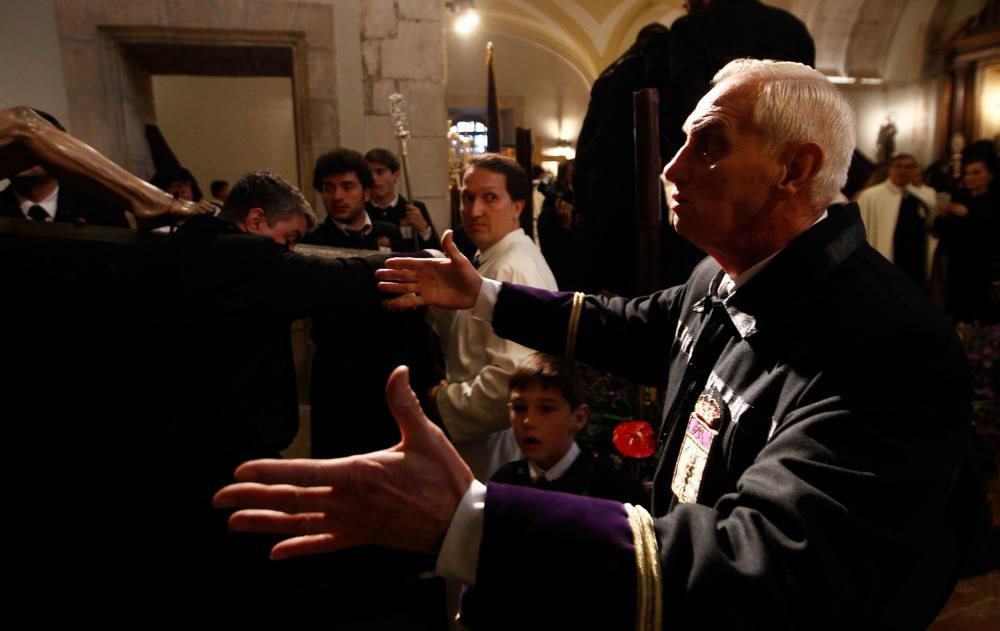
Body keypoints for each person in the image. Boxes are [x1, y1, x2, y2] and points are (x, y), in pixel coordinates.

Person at [214, 60, 976, 629]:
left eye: (707, 144)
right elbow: (632, 324)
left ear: (795, 168)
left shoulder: (887, 345)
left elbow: (766, 562)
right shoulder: (729, 272)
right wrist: (481, 294)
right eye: (679, 142)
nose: (671, 168)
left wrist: (475, 521)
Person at [425, 153, 558, 480]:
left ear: (517, 206)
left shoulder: (511, 266)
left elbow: (514, 378)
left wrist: (444, 402)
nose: (474, 211)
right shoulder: (494, 257)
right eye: (467, 198)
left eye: (490, 198)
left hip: (494, 445)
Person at [0, 106, 213, 228]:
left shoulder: (95, 204)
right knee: (22, 121)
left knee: (25, 122)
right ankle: (151, 201)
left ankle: (152, 201)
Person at [490, 352, 646, 506]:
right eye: (519, 407)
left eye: (545, 409)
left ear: (579, 418)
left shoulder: (615, 491)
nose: (528, 421)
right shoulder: (504, 482)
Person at [933, 157, 999, 323]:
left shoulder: (994, 201)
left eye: (976, 173)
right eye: (967, 173)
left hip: (985, 267)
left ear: (990, 175)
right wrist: (942, 216)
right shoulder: (959, 197)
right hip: (957, 266)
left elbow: (992, 234)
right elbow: (940, 232)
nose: (969, 177)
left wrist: (968, 215)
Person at [857, 153, 936, 287]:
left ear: (915, 170)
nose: (903, 170)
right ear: (890, 168)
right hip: (887, 259)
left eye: (908, 167)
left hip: (913, 262)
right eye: (898, 166)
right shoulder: (870, 196)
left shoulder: (920, 197)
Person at [305, 148, 404, 251]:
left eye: (347, 187)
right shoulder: (311, 241)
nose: (337, 197)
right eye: (328, 189)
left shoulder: (390, 233)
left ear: (367, 193)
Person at [365, 147, 440, 249]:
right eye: (369, 173)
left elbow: (437, 252)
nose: (373, 178)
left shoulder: (414, 208)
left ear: (395, 175)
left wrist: (424, 230)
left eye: (380, 172)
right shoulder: (362, 210)